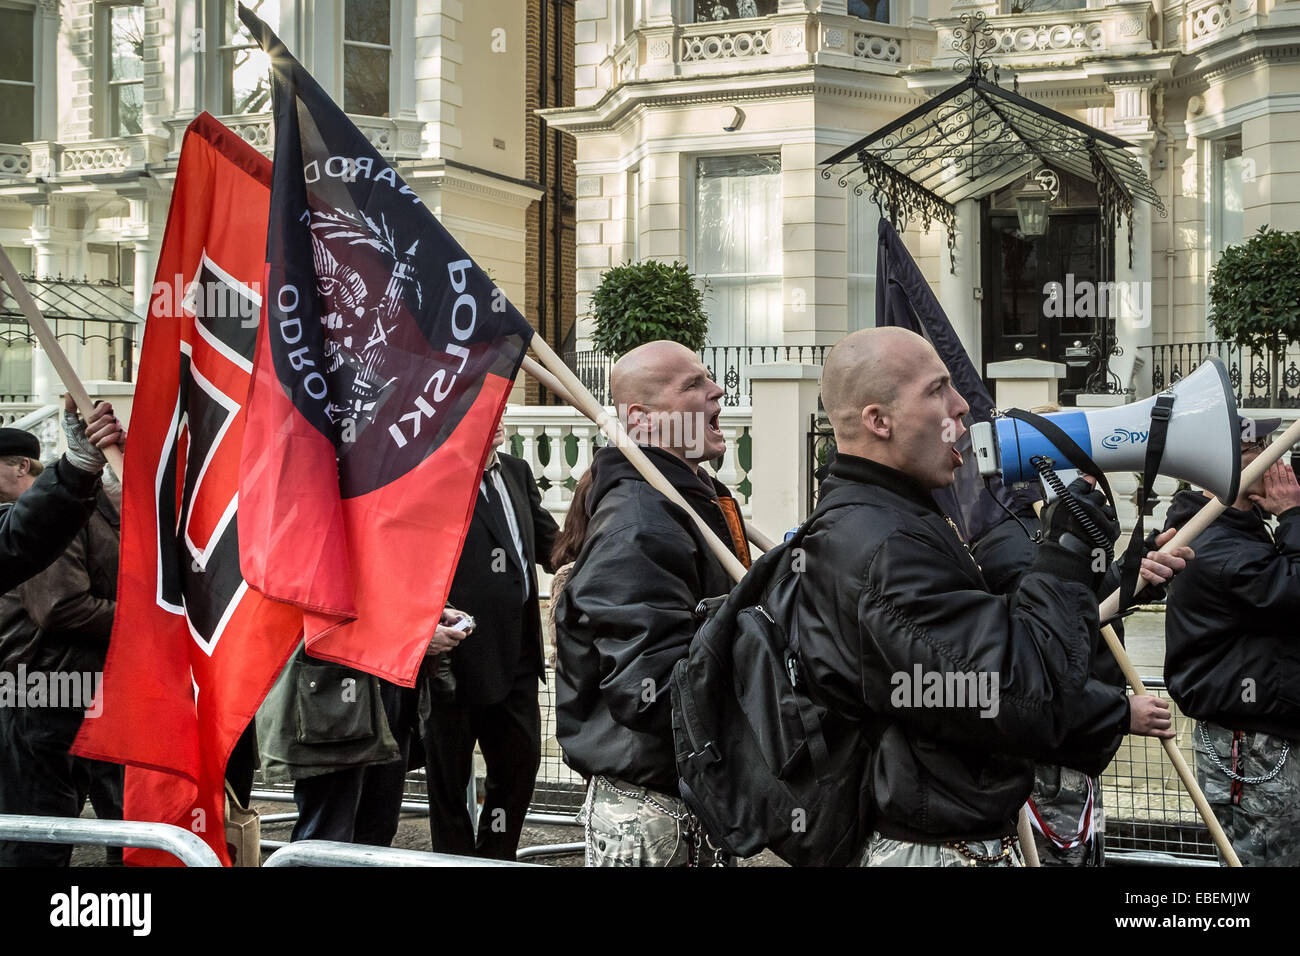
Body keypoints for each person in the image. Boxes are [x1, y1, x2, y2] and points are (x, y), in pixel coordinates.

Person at [782, 327, 1185, 867]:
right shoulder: (887, 547)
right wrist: (1066, 552)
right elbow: (1030, 693)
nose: (963, 405)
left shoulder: (889, 524)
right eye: (937, 390)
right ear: (879, 421)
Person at [555, 340, 747, 867]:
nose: (718, 392)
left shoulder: (684, 505)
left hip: (692, 803)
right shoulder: (639, 525)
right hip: (654, 821)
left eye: (710, 379)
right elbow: (651, 692)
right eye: (693, 385)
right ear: (639, 418)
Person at [973, 484, 1188, 865]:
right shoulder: (1019, 551)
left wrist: (1131, 576)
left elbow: (1078, 611)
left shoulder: (1032, 540)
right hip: (1052, 772)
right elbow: (1036, 675)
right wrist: (1118, 712)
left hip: (1075, 762)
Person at [1163, 415, 1300, 866]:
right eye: (1253, 451)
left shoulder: (1239, 528)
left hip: (1264, 733)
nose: (1272, 459)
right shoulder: (1217, 546)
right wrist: (1294, 514)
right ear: (1217, 469)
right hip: (1253, 746)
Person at [420, 418, 558, 860]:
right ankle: (455, 861)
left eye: (499, 409)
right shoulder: (430, 476)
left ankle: (495, 858)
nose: (495, 419)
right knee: (449, 782)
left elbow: (550, 544)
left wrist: (599, 542)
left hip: (519, 657)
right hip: (453, 660)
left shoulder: (516, 471)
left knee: (520, 766)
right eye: (484, 410)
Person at [0, 408, 126, 866]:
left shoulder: (93, 508)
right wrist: (143, 624)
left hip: (93, 693)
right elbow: (59, 606)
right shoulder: (49, 517)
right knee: (36, 840)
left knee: (132, 834)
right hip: (44, 694)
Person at [0, 402, 124, 593]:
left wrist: (78, 468)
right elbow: (60, 608)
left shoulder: (73, 509)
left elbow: (14, 541)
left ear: (23, 467)